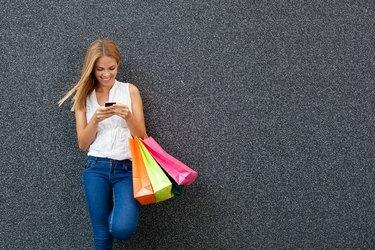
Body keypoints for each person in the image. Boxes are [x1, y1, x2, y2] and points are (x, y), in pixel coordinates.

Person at [59, 39, 147, 249]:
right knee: (100, 234)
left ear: (118, 64)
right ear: (92, 69)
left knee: (121, 228)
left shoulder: (130, 90)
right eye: (100, 69)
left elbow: (142, 136)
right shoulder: (84, 96)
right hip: (95, 167)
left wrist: (128, 116)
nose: (106, 74)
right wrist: (96, 119)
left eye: (111, 68)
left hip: (127, 169)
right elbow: (82, 143)